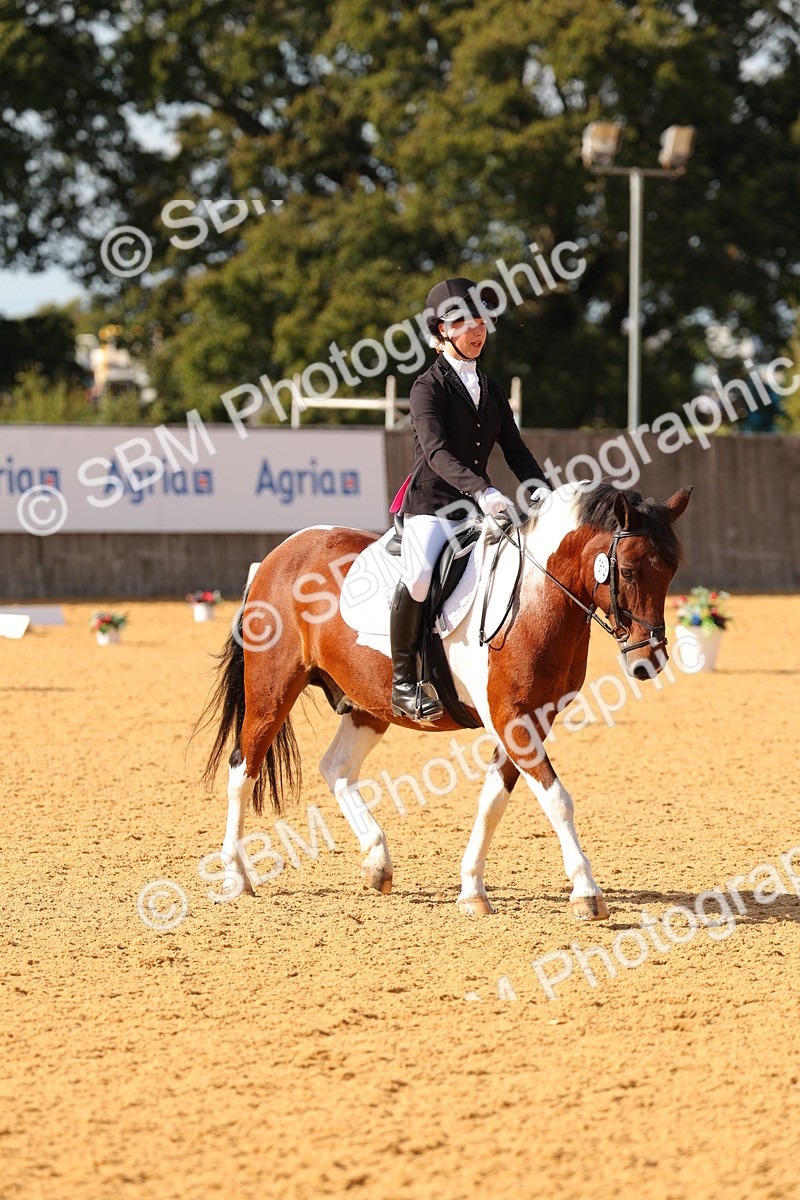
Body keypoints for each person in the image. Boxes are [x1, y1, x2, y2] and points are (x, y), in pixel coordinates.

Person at [390, 276, 551, 721]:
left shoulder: (494, 389)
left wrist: (540, 488)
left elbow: (515, 451)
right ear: (441, 330)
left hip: (478, 507)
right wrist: (482, 490)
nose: (475, 330)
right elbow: (436, 452)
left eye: (481, 320)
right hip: (432, 505)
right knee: (421, 575)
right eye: (462, 322)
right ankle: (403, 680)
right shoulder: (427, 387)